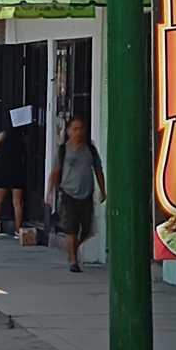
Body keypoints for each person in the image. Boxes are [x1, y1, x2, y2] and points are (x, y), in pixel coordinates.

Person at [47, 115, 105, 273]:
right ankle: (73, 260)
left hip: (86, 194)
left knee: (87, 228)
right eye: (75, 129)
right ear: (68, 131)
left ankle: (73, 248)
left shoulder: (90, 149)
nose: (78, 132)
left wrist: (103, 190)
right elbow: (55, 172)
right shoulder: (63, 150)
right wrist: (50, 192)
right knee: (70, 228)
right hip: (68, 194)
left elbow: (98, 170)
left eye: (81, 129)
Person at [0, 121, 27, 238]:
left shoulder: (2, 135)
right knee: (17, 203)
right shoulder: (23, 137)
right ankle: (18, 231)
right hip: (18, 170)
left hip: (3, 171)